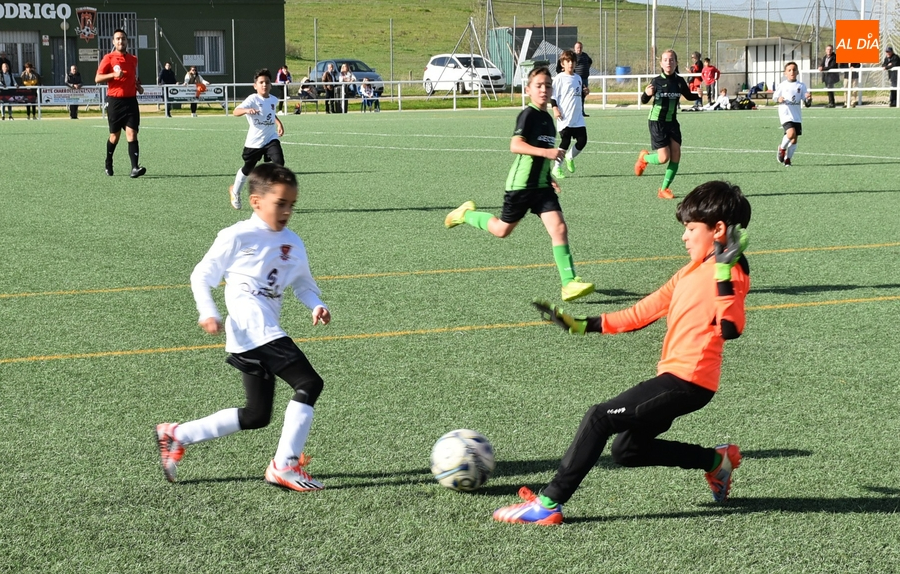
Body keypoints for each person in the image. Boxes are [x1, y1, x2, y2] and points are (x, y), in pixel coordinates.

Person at [492, 180, 751, 526]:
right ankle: (716, 462)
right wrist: (583, 325)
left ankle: (549, 503)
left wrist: (722, 271)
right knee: (628, 450)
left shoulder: (732, 270)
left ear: (717, 229)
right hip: (674, 377)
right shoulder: (690, 271)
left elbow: (731, 328)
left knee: (600, 417)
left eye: (691, 229)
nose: (684, 236)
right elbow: (642, 312)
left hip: (689, 381)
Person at [155, 163, 332, 492]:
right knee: (309, 383)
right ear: (256, 201)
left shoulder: (293, 243)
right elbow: (201, 275)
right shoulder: (236, 236)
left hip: (254, 335)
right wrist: (208, 311)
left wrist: (317, 305)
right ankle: (284, 466)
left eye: (292, 205)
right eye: (280, 203)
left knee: (256, 415)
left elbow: (303, 285)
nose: (287, 211)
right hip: (253, 326)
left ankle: (176, 434)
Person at [444, 67, 594, 303]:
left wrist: (549, 177)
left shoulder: (548, 119)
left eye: (547, 86)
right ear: (528, 90)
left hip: (542, 187)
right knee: (502, 230)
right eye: (538, 85)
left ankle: (568, 284)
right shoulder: (528, 115)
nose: (544, 90)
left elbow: (540, 154)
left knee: (559, 228)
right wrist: (547, 153)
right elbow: (516, 145)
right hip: (521, 186)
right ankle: (465, 215)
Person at [634, 49, 701, 199]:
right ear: (661, 63)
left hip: (672, 122)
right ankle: (644, 158)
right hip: (657, 121)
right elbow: (644, 100)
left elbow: (688, 95)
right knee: (663, 158)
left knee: (676, 154)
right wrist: (646, 94)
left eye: (671, 60)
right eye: (665, 60)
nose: (668, 62)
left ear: (676, 63)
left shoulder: (679, 81)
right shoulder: (656, 81)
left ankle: (664, 189)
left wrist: (698, 95)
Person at [229, 68, 285, 211]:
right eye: (261, 82)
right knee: (248, 168)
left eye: (267, 82)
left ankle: (272, 196)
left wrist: (279, 123)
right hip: (255, 142)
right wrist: (247, 110)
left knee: (279, 162)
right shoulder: (252, 99)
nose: (264, 85)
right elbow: (235, 111)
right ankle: (235, 191)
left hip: (270, 138)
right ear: (255, 86)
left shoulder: (273, 99)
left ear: (271, 85)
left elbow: (270, 114)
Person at [95, 29, 146, 178]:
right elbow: (97, 78)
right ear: (113, 41)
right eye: (117, 39)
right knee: (114, 136)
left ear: (127, 41)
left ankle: (135, 168)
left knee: (132, 133)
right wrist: (113, 74)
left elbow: (132, 78)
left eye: (123, 38)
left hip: (131, 102)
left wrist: (137, 86)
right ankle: (108, 161)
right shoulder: (108, 58)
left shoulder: (133, 59)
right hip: (115, 102)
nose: (120, 41)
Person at [550, 49, 588, 180]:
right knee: (565, 141)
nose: (570, 63)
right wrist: (555, 109)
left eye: (572, 61)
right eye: (568, 61)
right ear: (562, 63)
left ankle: (569, 157)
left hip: (577, 117)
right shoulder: (559, 78)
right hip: (565, 117)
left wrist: (584, 93)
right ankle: (556, 168)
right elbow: (553, 96)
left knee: (582, 140)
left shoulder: (578, 78)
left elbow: (578, 94)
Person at [773, 61, 812, 167]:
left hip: (796, 115)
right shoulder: (782, 85)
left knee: (794, 139)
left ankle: (788, 159)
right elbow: (774, 97)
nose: (792, 72)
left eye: (794, 70)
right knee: (790, 134)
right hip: (785, 114)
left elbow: (807, 103)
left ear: (797, 72)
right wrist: (778, 99)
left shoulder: (801, 86)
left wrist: (808, 99)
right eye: (789, 70)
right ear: (785, 73)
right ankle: (782, 148)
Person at [556, 42, 593, 116]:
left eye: (580, 47)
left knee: (582, 95)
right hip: (574, 79)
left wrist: (586, 68)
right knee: (573, 95)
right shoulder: (572, 56)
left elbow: (590, 61)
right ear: (574, 48)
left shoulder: (585, 55)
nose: (579, 49)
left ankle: (581, 111)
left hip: (583, 78)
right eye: (578, 48)